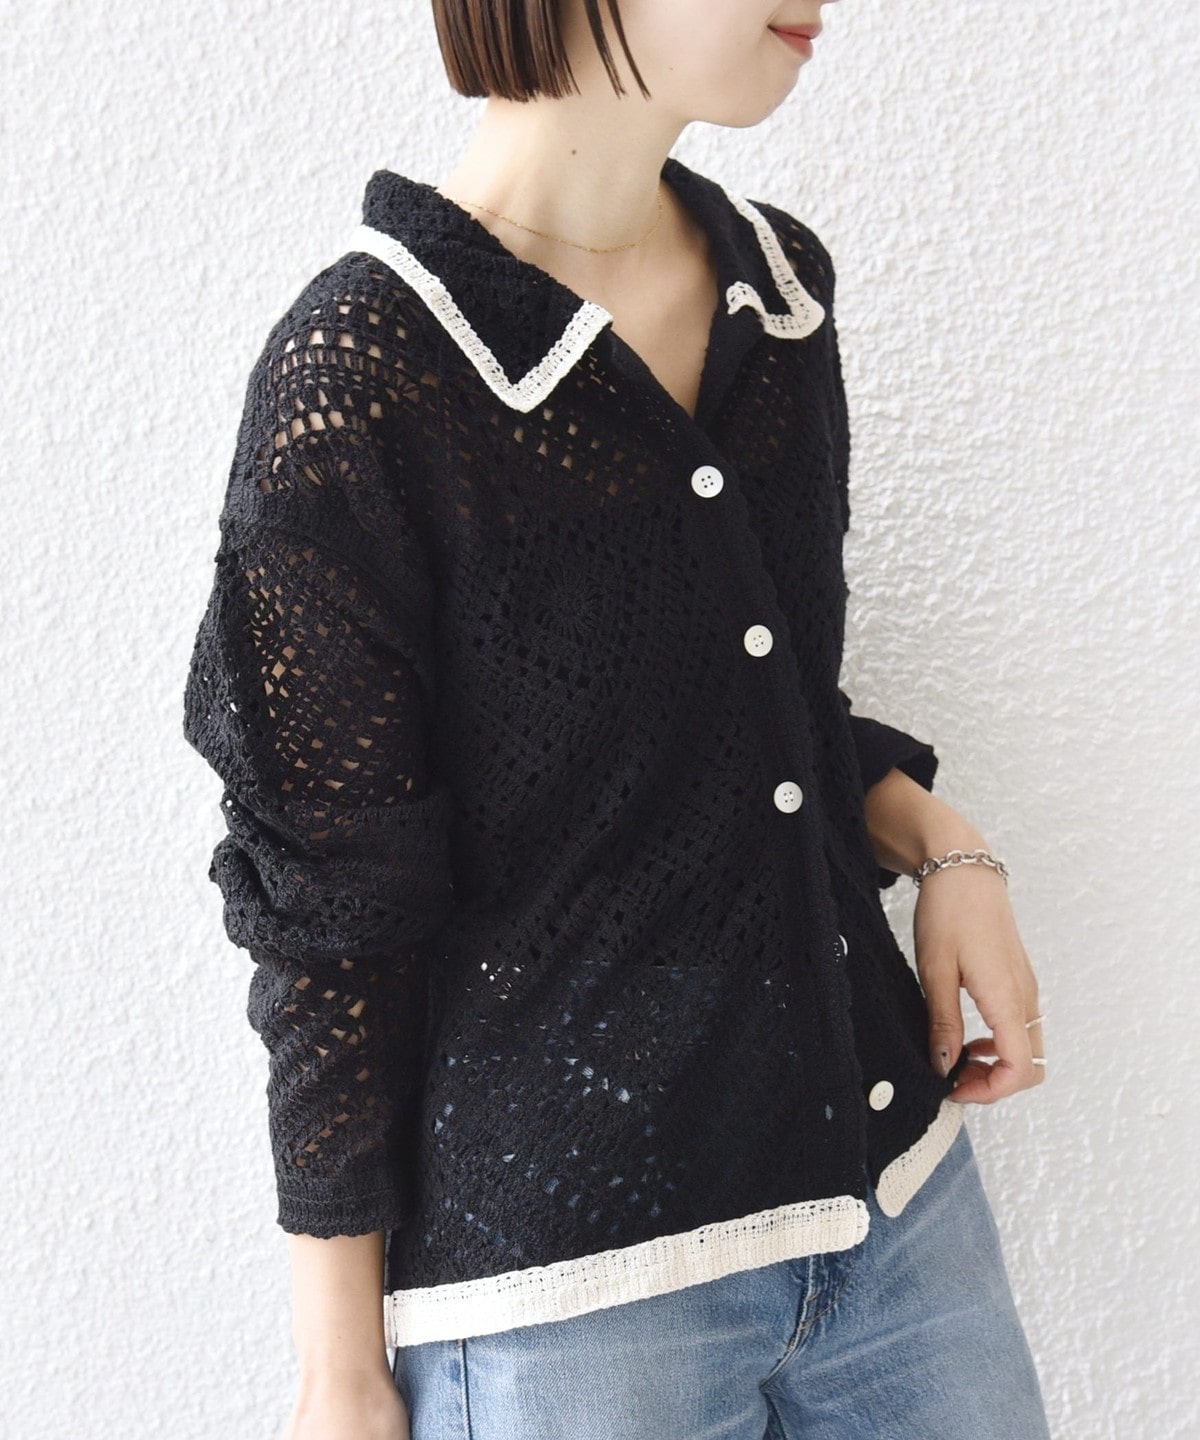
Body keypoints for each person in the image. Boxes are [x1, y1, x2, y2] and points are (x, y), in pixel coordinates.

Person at [181, 2, 1053, 1436]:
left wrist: (945, 843)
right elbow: (331, 914)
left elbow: (753, 715)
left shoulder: (777, 291)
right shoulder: (364, 372)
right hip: (575, 1308)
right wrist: (340, 1374)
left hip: (900, 1215)